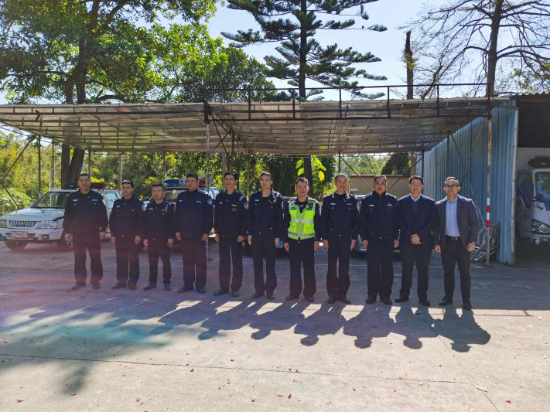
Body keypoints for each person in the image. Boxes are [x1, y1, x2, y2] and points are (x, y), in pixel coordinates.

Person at [434, 177, 480, 311]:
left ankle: (466, 301)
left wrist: (472, 241)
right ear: (444, 189)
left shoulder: (467, 203)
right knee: (448, 272)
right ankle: (448, 298)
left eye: (453, 185)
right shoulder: (439, 205)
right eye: (448, 186)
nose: (450, 188)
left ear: (458, 188)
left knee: (464, 273)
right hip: (446, 243)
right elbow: (436, 226)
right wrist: (436, 242)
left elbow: (475, 223)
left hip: (463, 244)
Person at [63, 173, 108, 290]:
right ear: (78, 183)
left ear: (90, 182)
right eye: (82, 180)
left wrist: (103, 230)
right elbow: (68, 216)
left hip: (93, 233)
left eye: (86, 180)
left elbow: (103, 215)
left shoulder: (97, 197)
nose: (84, 182)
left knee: (95, 258)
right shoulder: (72, 198)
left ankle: (96, 281)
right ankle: (80, 282)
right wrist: (67, 231)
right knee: (79, 258)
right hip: (78, 233)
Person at [396, 175, 436, 307]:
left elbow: (431, 221)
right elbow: (399, 221)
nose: (416, 187)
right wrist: (410, 237)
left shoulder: (430, 202)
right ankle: (404, 295)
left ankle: (423, 296)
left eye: (418, 184)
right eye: (413, 184)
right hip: (406, 242)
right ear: (409, 185)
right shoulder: (401, 202)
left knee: (423, 270)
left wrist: (419, 235)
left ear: (422, 186)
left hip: (424, 242)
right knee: (406, 269)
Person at [359, 175, 399, 305]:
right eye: (377, 183)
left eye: (382, 183)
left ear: (386, 185)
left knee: (387, 270)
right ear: (374, 185)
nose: (380, 185)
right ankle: (372, 295)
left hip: (388, 241)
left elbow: (396, 222)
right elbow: (362, 221)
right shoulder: (367, 200)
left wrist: (396, 238)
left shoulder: (393, 200)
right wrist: (364, 238)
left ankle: (385, 296)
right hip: (373, 241)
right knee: (373, 270)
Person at [320, 173, 359, 304]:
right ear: (335, 183)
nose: (342, 184)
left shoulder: (352, 200)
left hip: (346, 239)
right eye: (339, 181)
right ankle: (332, 294)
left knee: (344, 268)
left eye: (344, 182)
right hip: (332, 239)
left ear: (347, 183)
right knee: (331, 267)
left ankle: (342, 294)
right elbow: (324, 220)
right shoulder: (328, 199)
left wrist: (354, 238)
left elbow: (356, 222)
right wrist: (324, 238)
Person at [283, 177, 321, 302]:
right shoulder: (289, 204)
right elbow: (285, 223)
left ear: (308, 188)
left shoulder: (314, 204)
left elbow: (318, 223)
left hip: (308, 241)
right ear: (295, 188)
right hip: (293, 241)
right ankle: (294, 293)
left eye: (304, 187)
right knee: (294, 269)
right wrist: (285, 240)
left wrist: (317, 240)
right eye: (299, 187)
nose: (302, 189)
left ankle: (309, 293)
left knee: (309, 269)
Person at [247, 171, 284, 300]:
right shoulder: (254, 197)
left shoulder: (276, 197)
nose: (264, 182)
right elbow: (250, 216)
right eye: (262, 179)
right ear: (259, 181)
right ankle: (259, 290)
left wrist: (278, 235)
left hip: (270, 235)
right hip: (256, 235)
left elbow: (279, 218)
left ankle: (270, 290)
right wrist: (249, 233)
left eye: (267, 179)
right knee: (257, 264)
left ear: (271, 182)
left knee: (270, 265)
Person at [175, 173, 213, 294]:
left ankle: (200, 285)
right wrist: (177, 230)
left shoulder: (204, 197)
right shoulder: (181, 197)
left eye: (192, 181)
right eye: (188, 181)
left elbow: (209, 216)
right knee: (187, 262)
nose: (189, 183)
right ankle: (188, 284)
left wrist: (206, 232)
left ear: (197, 183)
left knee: (200, 262)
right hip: (185, 235)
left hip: (199, 236)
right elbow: (176, 215)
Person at [213, 171, 248, 297]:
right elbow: (217, 216)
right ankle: (223, 287)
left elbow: (245, 217)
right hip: (223, 235)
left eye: (231, 179)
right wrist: (216, 232)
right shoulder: (220, 197)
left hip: (236, 236)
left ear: (235, 181)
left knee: (237, 263)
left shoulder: (240, 198)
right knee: (224, 262)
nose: (228, 181)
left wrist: (243, 233)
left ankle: (235, 288)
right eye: (226, 179)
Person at [109, 180, 143, 290]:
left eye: (128, 187)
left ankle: (132, 281)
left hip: (133, 237)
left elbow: (141, 220)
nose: (125, 189)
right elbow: (112, 220)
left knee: (133, 261)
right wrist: (113, 235)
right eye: (123, 187)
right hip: (119, 237)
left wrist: (139, 235)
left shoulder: (137, 203)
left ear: (132, 189)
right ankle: (121, 281)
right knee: (121, 260)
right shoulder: (117, 203)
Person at [142, 183, 176, 291]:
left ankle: (167, 282)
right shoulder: (149, 206)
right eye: (154, 191)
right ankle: (152, 282)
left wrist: (171, 237)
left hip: (164, 240)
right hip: (151, 239)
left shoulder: (169, 207)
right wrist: (145, 238)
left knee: (166, 262)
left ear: (164, 193)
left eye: (158, 191)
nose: (156, 193)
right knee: (152, 263)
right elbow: (145, 223)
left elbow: (173, 224)